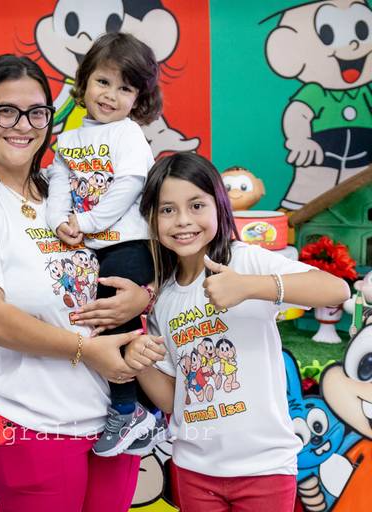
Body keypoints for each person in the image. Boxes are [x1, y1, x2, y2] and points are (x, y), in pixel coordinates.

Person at [0, 54, 163, 512]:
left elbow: (131, 253)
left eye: (36, 112)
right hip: (30, 420)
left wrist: (144, 295)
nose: (23, 125)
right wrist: (85, 349)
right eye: (6, 111)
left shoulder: (64, 192)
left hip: (113, 420)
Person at [125, 152, 350, 512]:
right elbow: (171, 400)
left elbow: (336, 290)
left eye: (196, 205)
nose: (183, 220)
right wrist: (140, 361)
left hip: (265, 467)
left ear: (219, 206)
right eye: (167, 209)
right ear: (151, 217)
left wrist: (249, 287)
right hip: (193, 467)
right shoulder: (162, 297)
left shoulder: (244, 260)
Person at [46, 31, 163, 457]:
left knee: (115, 323)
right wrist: (59, 221)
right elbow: (59, 183)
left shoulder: (127, 134)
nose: (111, 95)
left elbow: (128, 185)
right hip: (90, 248)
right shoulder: (70, 139)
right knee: (100, 323)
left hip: (128, 245)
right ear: (84, 82)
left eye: (125, 88)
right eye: (103, 82)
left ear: (139, 98)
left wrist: (88, 221)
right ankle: (137, 408)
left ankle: (129, 409)